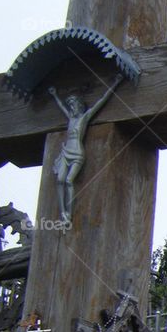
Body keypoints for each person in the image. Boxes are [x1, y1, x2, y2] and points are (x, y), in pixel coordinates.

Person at [48, 73, 124, 223]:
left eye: (73, 105)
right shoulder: (71, 119)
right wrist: (54, 95)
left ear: (79, 106)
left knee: (69, 181)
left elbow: (102, 100)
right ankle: (63, 213)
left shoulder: (84, 118)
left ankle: (68, 214)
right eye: (70, 106)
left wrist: (115, 83)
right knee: (59, 180)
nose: (71, 108)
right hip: (65, 152)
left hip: (77, 153)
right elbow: (61, 106)